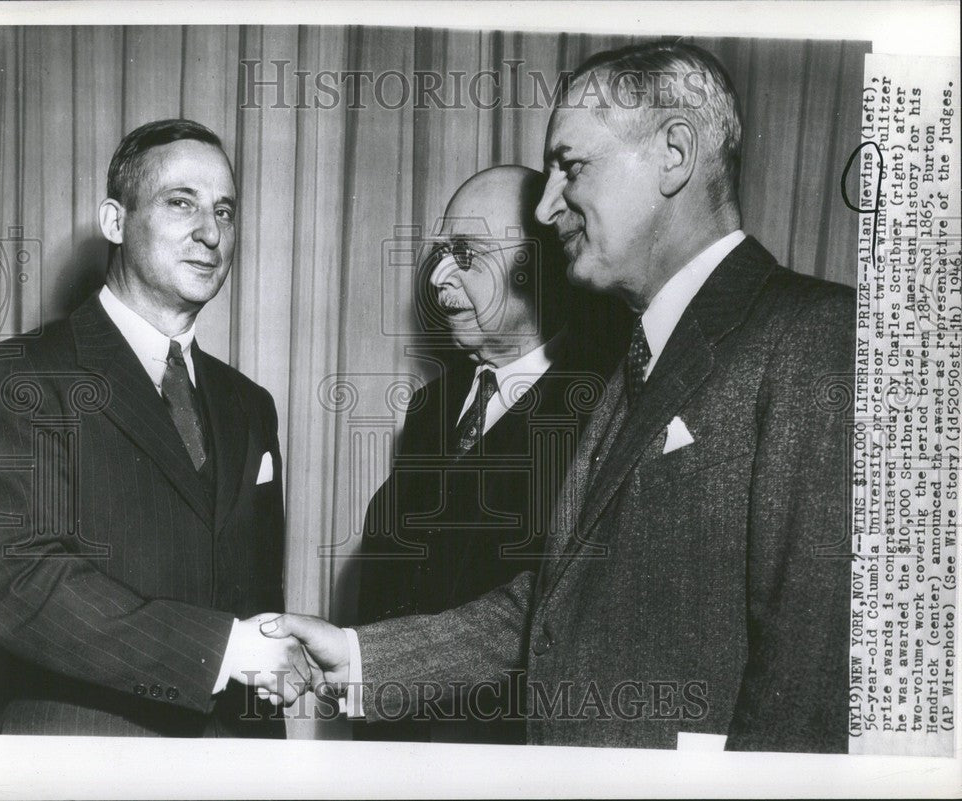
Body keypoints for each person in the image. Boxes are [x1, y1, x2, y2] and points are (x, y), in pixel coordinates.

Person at [262, 41, 855, 753]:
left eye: (571, 167)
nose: (547, 207)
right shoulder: (637, 357)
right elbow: (554, 605)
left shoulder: (819, 338)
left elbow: (811, 682)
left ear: (674, 154)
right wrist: (360, 656)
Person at [0, 119, 308, 737]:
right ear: (115, 221)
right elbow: (21, 580)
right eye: (181, 202)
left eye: (225, 210)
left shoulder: (251, 405)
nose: (211, 232)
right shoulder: (21, 375)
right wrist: (222, 652)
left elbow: (257, 608)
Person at [355, 165, 610, 743]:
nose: (439, 278)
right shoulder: (431, 409)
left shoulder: (602, 413)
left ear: (541, 264)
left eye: (466, 255)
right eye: (441, 253)